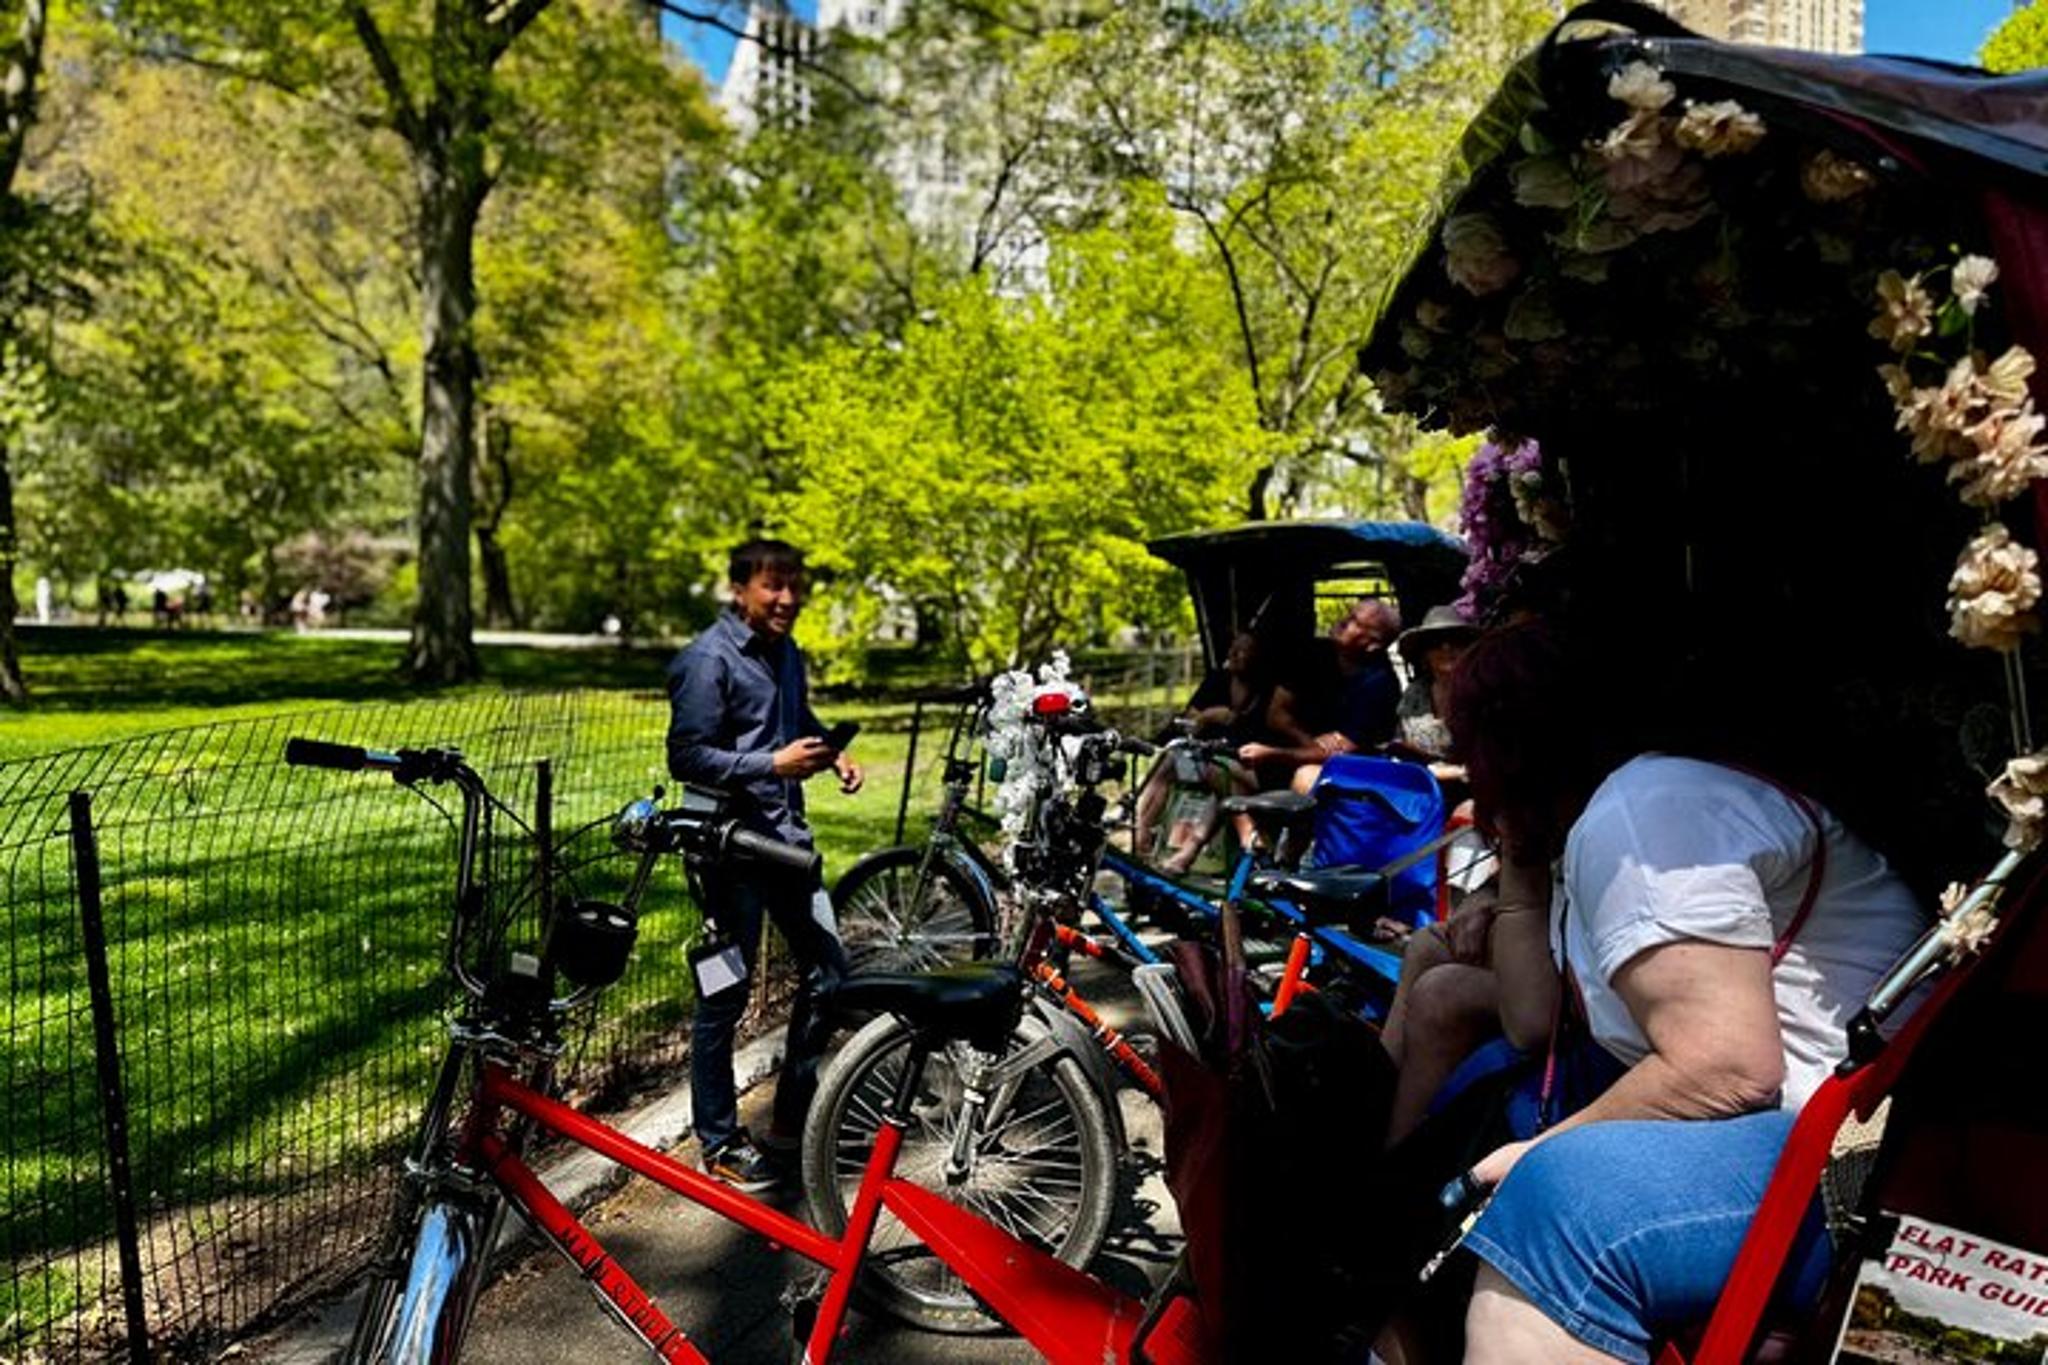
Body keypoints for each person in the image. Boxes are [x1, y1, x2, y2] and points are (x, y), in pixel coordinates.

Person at [1436, 619, 1927, 1365]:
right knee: (1481, 1094)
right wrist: (1522, 862)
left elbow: (1727, 1065)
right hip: (1807, 1126)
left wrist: (1539, 1151)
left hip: (1862, 1153)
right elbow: (1532, 1023)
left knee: (1562, 1203)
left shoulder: (1644, 811)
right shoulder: (1614, 815)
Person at [665, 538, 863, 1192]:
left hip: (787, 841)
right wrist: (768, 765)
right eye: (774, 586)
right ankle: (719, 1143)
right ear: (739, 589)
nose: (788, 598)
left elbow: (791, 717)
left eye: (795, 585)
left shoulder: (786, 653)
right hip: (728, 853)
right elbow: (688, 757)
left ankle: (793, 1118)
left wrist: (831, 751)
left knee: (831, 972)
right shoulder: (707, 660)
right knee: (724, 995)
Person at [1133, 630, 1276, 872]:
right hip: (1212, 758)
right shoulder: (1217, 681)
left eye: (1242, 650)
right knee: (1170, 761)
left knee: (1219, 774)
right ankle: (1141, 834)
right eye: (1232, 648)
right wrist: (1211, 716)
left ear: (1258, 657)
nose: (1234, 654)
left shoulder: (1267, 692)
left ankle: (1189, 852)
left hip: (1251, 766)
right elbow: (1191, 720)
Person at [1236, 597, 1402, 794]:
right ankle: (1248, 826)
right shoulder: (1312, 654)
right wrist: (1311, 743)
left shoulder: (1380, 685)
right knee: (1216, 769)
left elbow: (1342, 756)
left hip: (1341, 774)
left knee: (1306, 778)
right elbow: (1276, 714)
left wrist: (1274, 754)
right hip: (1285, 755)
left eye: (1354, 622)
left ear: (1372, 644)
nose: (1342, 622)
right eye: (1348, 614)